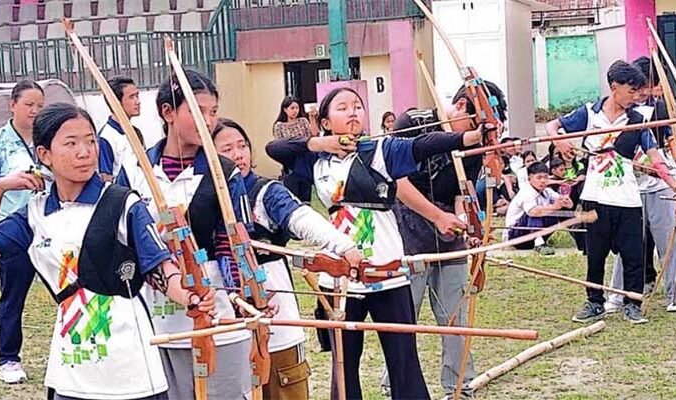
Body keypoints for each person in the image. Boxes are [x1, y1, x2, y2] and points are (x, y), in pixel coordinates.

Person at [0, 103, 215, 399]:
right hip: (71, 370)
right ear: (44, 155)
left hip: (131, 368)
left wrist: (189, 295)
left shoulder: (122, 203)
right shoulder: (37, 212)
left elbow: (159, 265)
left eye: (91, 141)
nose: (85, 152)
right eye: (71, 144)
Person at [266, 87, 486, 399]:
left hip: (386, 271)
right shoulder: (314, 161)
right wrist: (320, 143)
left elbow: (423, 145)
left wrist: (470, 139)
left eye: (357, 106)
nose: (354, 111)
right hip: (340, 274)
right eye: (342, 108)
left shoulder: (381, 150)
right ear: (326, 122)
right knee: (344, 365)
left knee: (403, 362)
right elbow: (274, 148)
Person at [117, 73, 255, 399]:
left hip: (217, 314)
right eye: (197, 111)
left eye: (213, 112)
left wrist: (244, 296)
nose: (209, 121)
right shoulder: (136, 168)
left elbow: (234, 240)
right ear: (168, 113)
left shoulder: (224, 171)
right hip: (157, 318)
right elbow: (125, 239)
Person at [212, 117, 364, 400]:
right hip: (225, 324)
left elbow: (299, 217)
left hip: (276, 319)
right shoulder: (202, 199)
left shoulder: (265, 191)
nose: (238, 155)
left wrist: (342, 245)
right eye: (227, 149)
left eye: (242, 146)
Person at [379, 79, 507, 400]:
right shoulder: (414, 122)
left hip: (448, 238)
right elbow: (397, 183)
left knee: (455, 317)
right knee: (405, 317)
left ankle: (460, 385)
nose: (480, 132)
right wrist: (437, 217)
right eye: (478, 123)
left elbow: (459, 194)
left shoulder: (474, 142)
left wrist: (465, 222)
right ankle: (395, 385)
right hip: (408, 233)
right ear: (462, 106)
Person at [547, 60, 676, 324]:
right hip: (595, 198)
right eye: (630, 91)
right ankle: (594, 302)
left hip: (627, 199)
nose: (634, 97)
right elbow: (552, 126)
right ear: (613, 87)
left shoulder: (638, 121)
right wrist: (560, 142)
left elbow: (655, 158)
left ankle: (632, 304)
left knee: (633, 254)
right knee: (595, 255)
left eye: (637, 91)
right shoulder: (589, 113)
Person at [0, 79, 45, 384]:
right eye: (29, 105)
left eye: (40, 106)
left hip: (48, 219)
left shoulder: (48, 135)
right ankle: (9, 358)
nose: (35, 111)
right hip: (12, 226)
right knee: (13, 294)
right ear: (12, 105)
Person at [606, 56, 676, 314]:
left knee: (670, 241)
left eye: (645, 87)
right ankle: (618, 295)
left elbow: (671, 143)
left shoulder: (660, 109)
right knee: (626, 243)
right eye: (635, 89)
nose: (641, 93)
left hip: (659, 186)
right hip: (629, 186)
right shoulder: (617, 110)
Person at [505, 162, 574, 255]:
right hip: (516, 235)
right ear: (529, 179)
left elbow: (568, 205)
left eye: (545, 177)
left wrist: (565, 200)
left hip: (533, 235)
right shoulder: (526, 192)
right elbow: (533, 212)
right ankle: (539, 243)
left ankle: (580, 240)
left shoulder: (548, 191)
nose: (543, 181)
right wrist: (554, 206)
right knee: (535, 211)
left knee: (561, 212)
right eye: (539, 177)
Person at [98, 75, 145, 182]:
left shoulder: (136, 132)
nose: (137, 101)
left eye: (137, 96)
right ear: (116, 102)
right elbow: (105, 178)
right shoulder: (106, 137)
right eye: (131, 97)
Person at [273, 96, 317, 203]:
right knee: (293, 194)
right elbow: (280, 145)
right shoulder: (279, 126)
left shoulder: (303, 121)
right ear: (285, 109)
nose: (295, 111)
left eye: (297, 108)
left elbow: (314, 135)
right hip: (290, 162)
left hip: (305, 159)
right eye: (292, 108)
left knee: (305, 195)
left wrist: (312, 118)